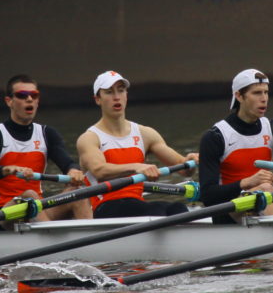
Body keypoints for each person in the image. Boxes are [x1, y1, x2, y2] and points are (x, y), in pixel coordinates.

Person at [77, 71, 198, 218]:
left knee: (177, 208)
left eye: (121, 91)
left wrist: (190, 161)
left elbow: (184, 170)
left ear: (126, 95)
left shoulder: (145, 134)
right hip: (106, 209)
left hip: (137, 205)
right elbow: (99, 171)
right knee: (155, 211)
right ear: (97, 99)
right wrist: (137, 166)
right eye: (109, 92)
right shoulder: (89, 138)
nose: (116, 97)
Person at [0, 74, 91, 227]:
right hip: (4, 214)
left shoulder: (47, 133)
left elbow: (68, 163)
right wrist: (7, 169)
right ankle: (53, 243)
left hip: (37, 209)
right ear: (9, 101)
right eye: (22, 95)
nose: (29, 99)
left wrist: (73, 171)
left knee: (77, 191)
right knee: (30, 196)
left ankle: (92, 244)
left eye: (34, 95)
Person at [199, 69, 273, 223]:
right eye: (257, 93)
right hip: (230, 210)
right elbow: (207, 195)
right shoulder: (215, 136)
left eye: (266, 92)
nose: (264, 98)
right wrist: (246, 182)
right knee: (264, 188)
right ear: (239, 96)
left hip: (264, 201)